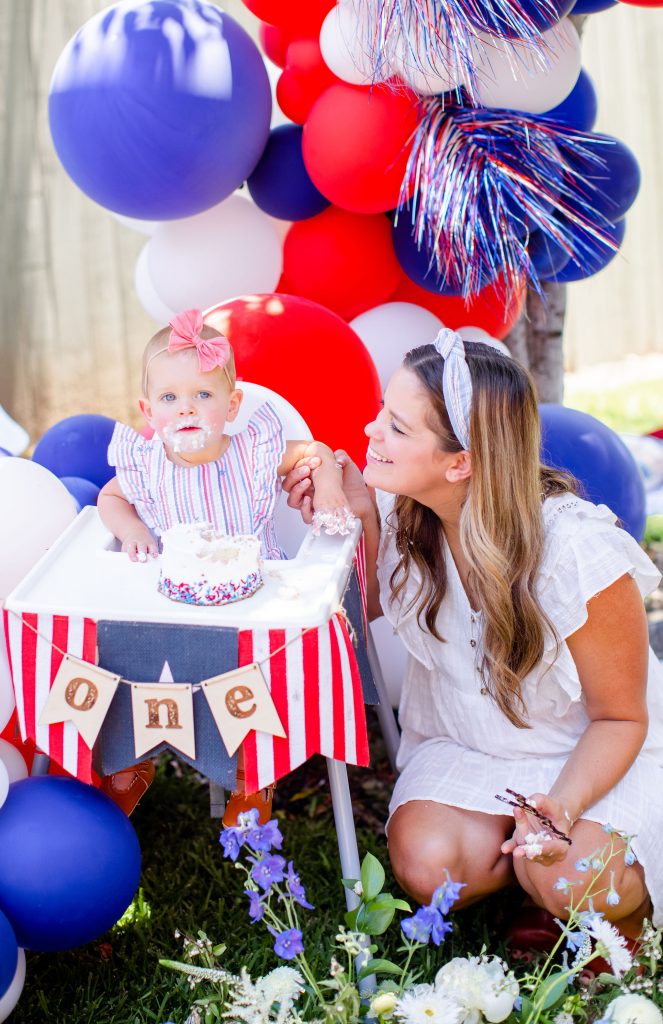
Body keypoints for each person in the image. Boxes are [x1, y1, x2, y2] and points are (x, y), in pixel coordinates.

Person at [283, 329, 663, 945]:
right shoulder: (417, 519)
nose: (372, 432)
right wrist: (358, 514)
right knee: (426, 864)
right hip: (474, 746)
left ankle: (611, 914)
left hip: (594, 755)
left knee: (575, 880)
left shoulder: (577, 552)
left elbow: (621, 719)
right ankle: (526, 879)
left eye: (399, 428)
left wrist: (559, 809)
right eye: (384, 412)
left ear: (460, 462)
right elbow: (362, 613)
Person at [97, 308, 353, 820]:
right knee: (131, 656)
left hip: (253, 604)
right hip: (175, 606)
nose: (186, 409)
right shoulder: (147, 465)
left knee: (254, 675)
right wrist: (134, 532)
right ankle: (135, 758)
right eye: (170, 399)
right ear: (149, 411)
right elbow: (109, 498)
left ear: (232, 404)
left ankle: (251, 775)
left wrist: (327, 487)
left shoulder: (252, 453)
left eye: (203, 396)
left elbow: (318, 452)